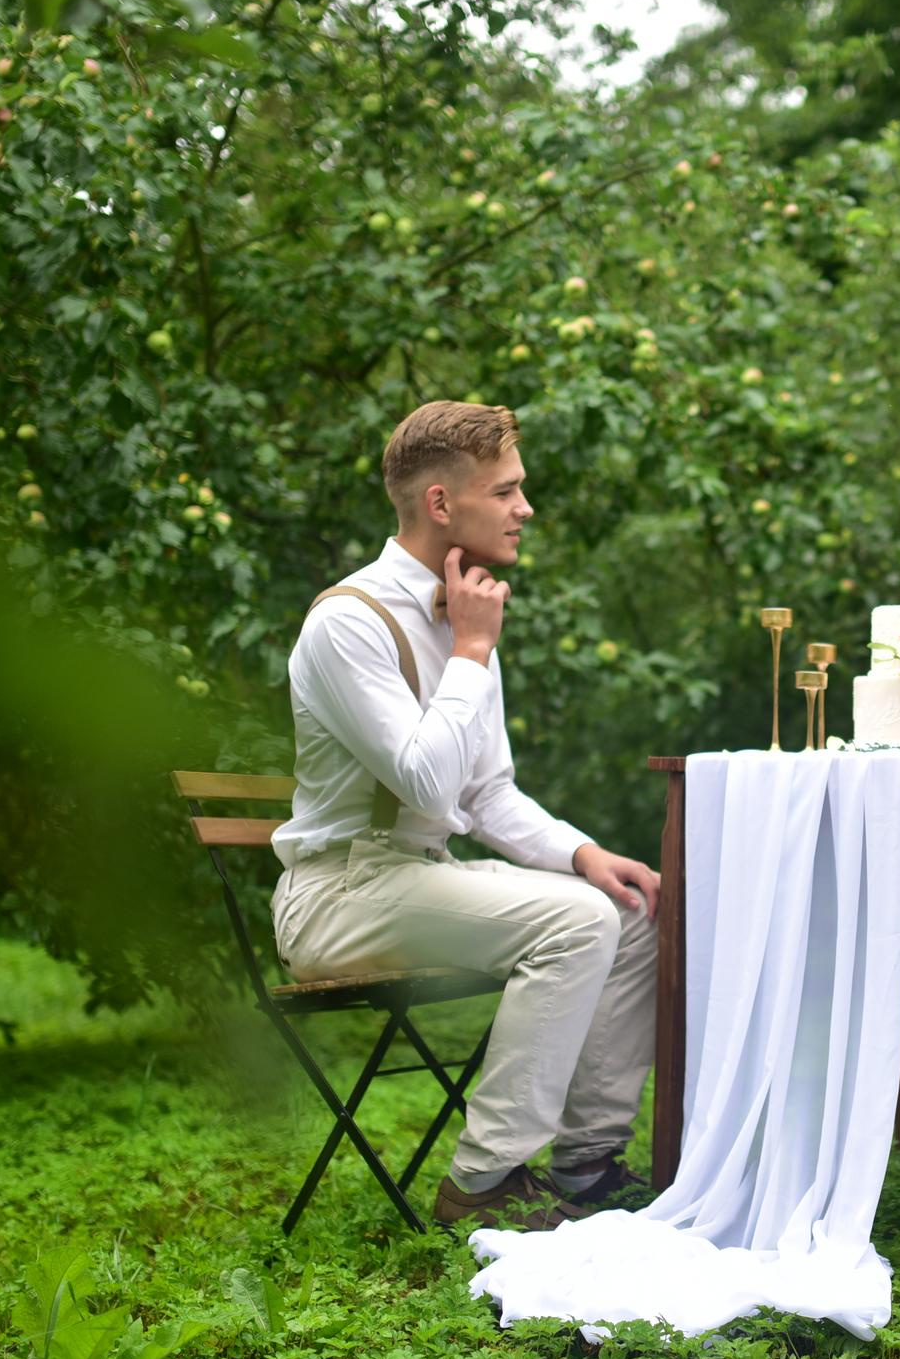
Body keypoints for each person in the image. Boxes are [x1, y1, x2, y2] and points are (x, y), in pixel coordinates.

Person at [270, 401, 661, 1232]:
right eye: (508, 490)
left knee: (626, 912)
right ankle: (482, 1185)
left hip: (416, 881)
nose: (527, 509)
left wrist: (583, 851)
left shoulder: (462, 608)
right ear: (443, 503)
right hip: (338, 897)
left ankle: (586, 1166)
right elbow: (422, 779)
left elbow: (484, 794)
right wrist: (473, 653)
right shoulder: (348, 622)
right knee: (576, 925)